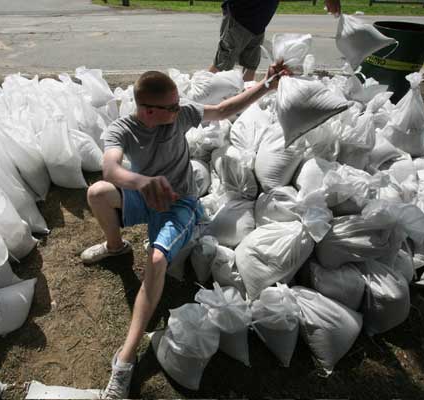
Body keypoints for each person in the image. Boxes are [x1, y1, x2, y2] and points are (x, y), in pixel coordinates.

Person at [81, 60, 290, 399]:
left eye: (178, 104)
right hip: (144, 192)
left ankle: (125, 359)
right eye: (171, 106)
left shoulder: (179, 115)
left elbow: (222, 110)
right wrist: (142, 182)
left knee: (157, 260)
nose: (180, 109)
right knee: (97, 194)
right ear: (148, 111)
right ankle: (115, 246)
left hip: (178, 204)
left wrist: (267, 85)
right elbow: (110, 169)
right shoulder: (122, 129)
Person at [209, 0, 341, 81]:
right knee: (223, 64)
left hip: (258, 23)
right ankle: (198, 97)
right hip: (239, 17)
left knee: (251, 65)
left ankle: (241, 103)